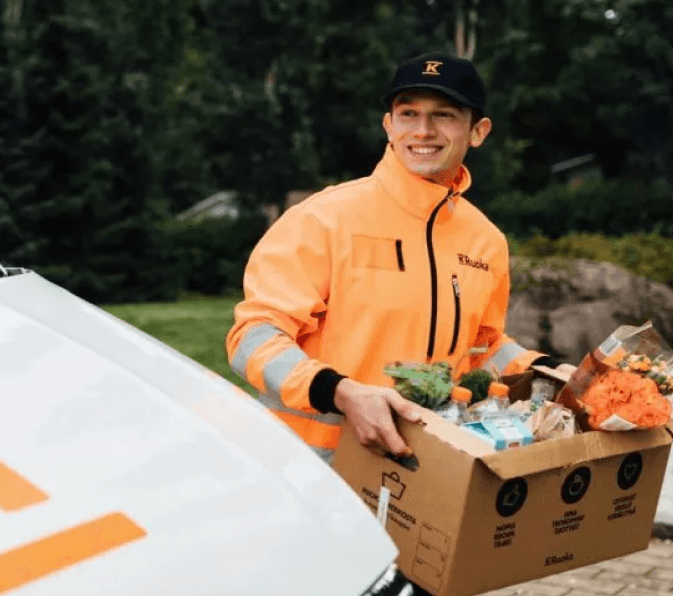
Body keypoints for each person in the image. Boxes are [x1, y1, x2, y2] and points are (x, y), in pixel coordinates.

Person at [226, 51, 565, 465]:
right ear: (389, 125)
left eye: (444, 115)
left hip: (423, 469)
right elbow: (254, 338)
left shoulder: (486, 241)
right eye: (408, 113)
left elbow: (482, 347)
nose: (423, 131)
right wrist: (340, 391)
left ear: (478, 131)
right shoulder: (322, 218)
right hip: (309, 464)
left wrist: (552, 372)